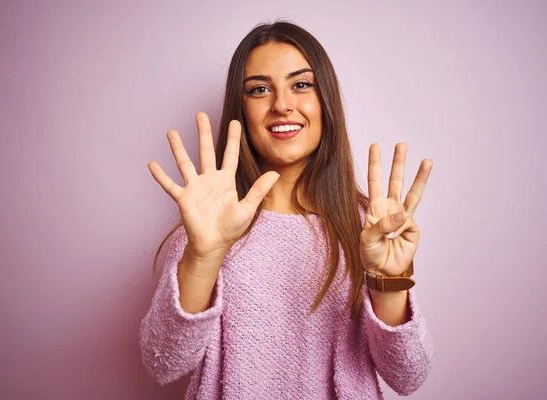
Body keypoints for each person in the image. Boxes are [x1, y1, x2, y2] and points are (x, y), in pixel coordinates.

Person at [141, 21, 434, 399]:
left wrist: (386, 281)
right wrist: (203, 257)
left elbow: (408, 376)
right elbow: (163, 363)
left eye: (301, 84)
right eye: (259, 89)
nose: (281, 104)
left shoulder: (368, 230)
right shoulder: (207, 228)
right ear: (240, 109)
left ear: (324, 99)